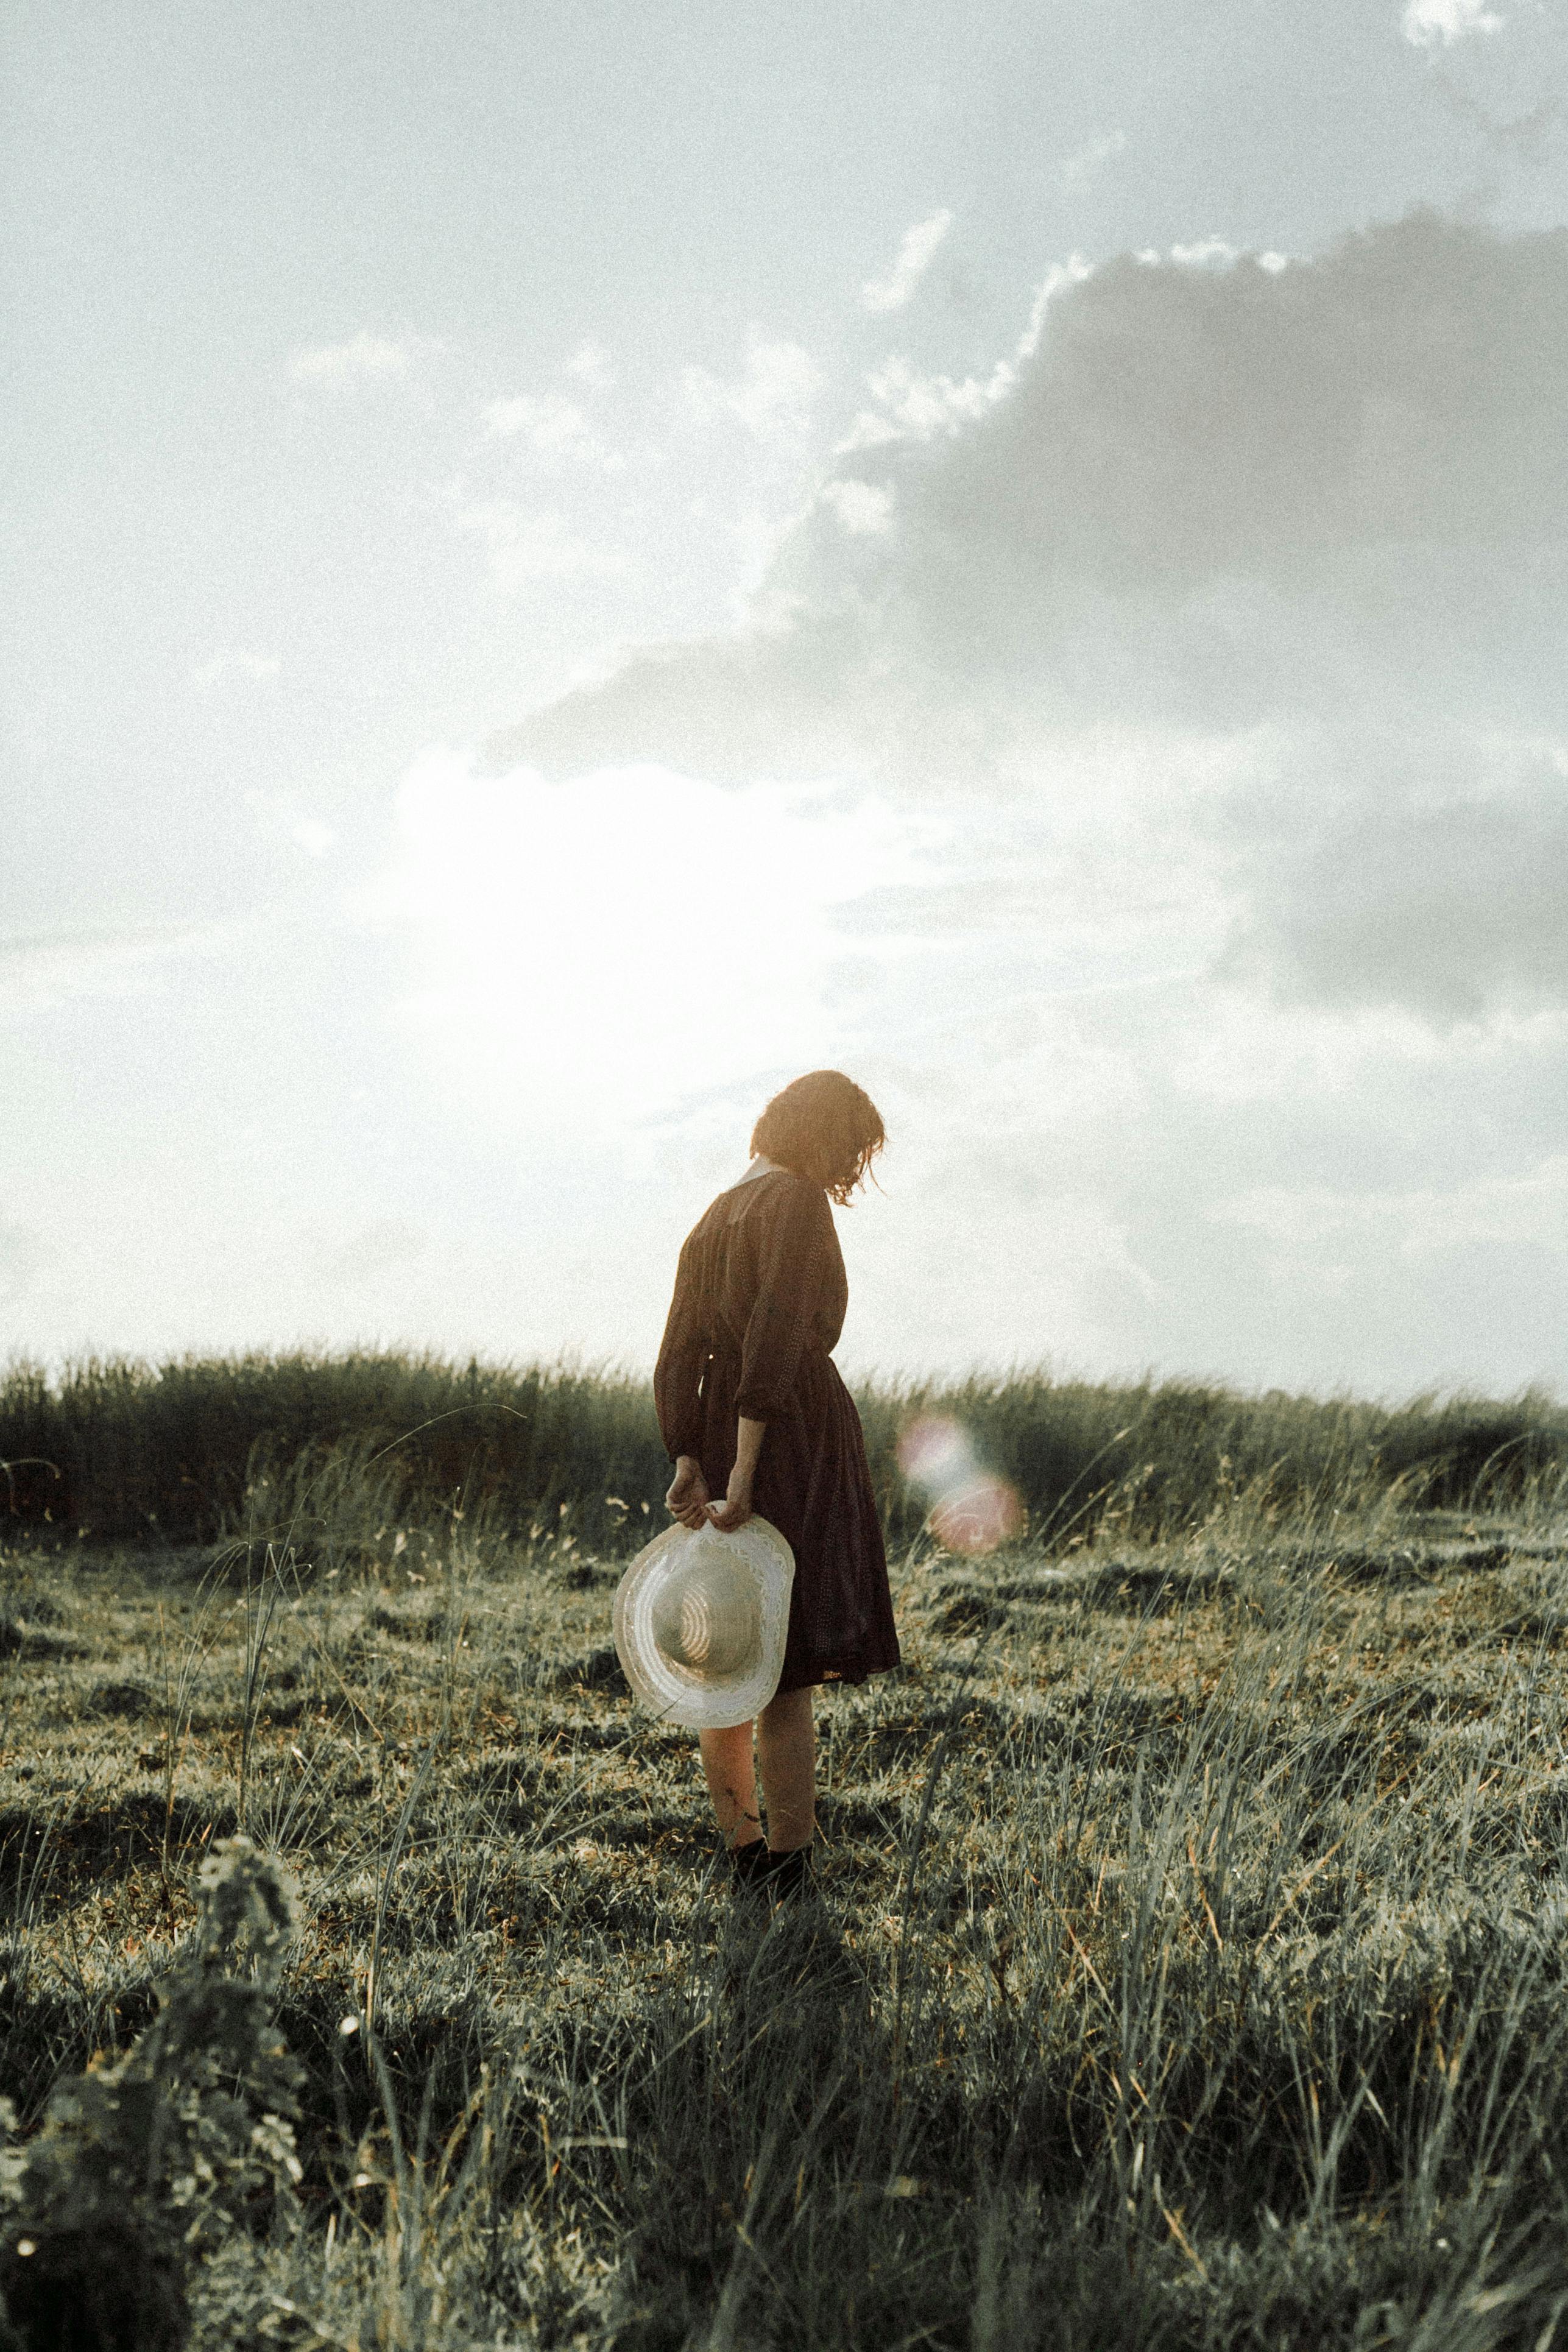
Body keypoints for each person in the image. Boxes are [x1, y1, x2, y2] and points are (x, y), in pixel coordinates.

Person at [653, 1070, 901, 1900]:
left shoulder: (715, 1211)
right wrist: (744, 1475)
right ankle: (789, 1867)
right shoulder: (793, 1201)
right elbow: (777, 1338)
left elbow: (680, 1348)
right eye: (848, 1145)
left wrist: (688, 1453)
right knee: (783, 1663)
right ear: (820, 1133)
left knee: (726, 1649)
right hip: (785, 1434)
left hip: (720, 1425)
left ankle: (744, 1852)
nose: (847, 1164)